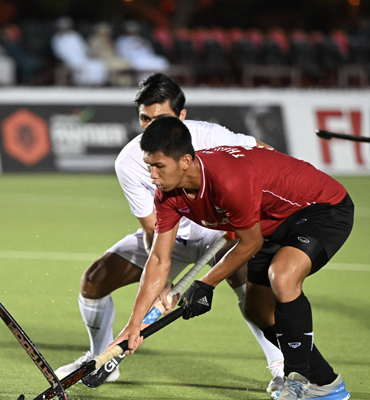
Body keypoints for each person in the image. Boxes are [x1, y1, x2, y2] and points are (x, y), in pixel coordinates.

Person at [55, 73, 285, 393]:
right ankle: (101, 358)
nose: (151, 128)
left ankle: (281, 367)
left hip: (217, 231)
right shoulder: (130, 161)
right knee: (94, 280)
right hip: (169, 237)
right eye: (144, 119)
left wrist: (259, 202)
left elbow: (268, 155)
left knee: (243, 278)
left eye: (159, 119)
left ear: (181, 117)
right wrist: (160, 288)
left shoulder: (210, 136)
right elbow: (153, 229)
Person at [113, 116, 352, 400]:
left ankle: (297, 381)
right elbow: (158, 261)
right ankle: (327, 383)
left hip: (320, 207)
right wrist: (134, 324)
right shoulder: (166, 195)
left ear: (186, 161)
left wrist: (205, 283)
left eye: (159, 166)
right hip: (269, 221)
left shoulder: (227, 179)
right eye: (149, 166)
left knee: (283, 275)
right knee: (257, 309)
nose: (152, 175)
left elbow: (250, 242)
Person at [50, 16, 108, 86]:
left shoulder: (75, 35)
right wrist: (67, 62)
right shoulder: (57, 38)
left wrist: (89, 56)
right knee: (79, 69)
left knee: (98, 65)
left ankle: (95, 85)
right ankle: (80, 84)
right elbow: (57, 53)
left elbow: (83, 48)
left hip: (82, 59)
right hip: (68, 61)